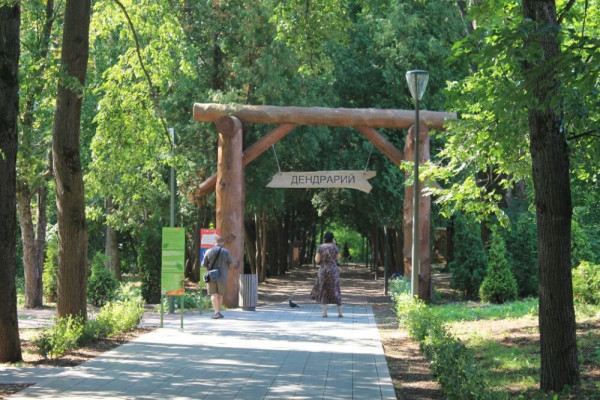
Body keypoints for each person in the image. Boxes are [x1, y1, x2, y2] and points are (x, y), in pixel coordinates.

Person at [309, 231, 343, 317]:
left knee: (323, 289)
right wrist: (335, 244)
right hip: (333, 270)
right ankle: (340, 313)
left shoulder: (320, 247)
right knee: (336, 289)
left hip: (323, 270)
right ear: (332, 238)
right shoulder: (335, 247)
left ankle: (324, 313)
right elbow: (338, 258)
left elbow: (317, 260)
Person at [202, 236, 233, 319]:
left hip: (211, 276)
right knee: (220, 294)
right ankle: (219, 312)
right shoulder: (226, 252)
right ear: (222, 243)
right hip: (222, 275)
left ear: (214, 242)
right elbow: (230, 263)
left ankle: (216, 312)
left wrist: (209, 270)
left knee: (213, 294)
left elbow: (204, 264)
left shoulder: (208, 251)